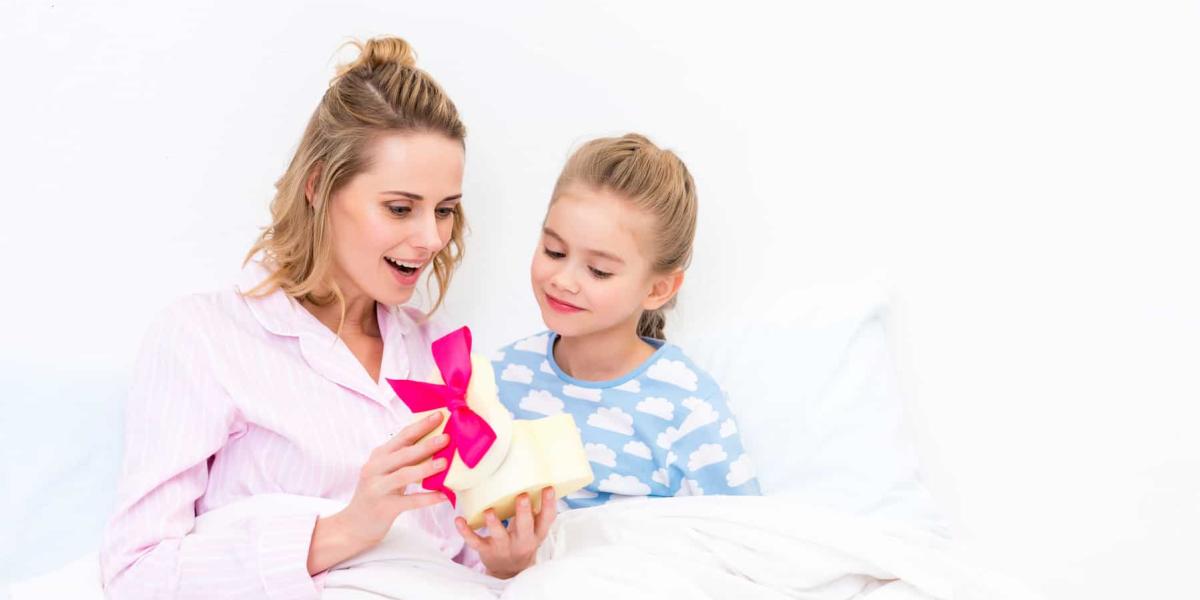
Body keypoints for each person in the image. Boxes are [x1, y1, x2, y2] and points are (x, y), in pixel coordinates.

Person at [99, 36, 552, 599]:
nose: (432, 238)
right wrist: (343, 531)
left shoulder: (440, 354)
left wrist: (502, 563)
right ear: (318, 186)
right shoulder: (204, 337)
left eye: (444, 211)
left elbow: (446, 555)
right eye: (400, 208)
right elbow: (134, 573)